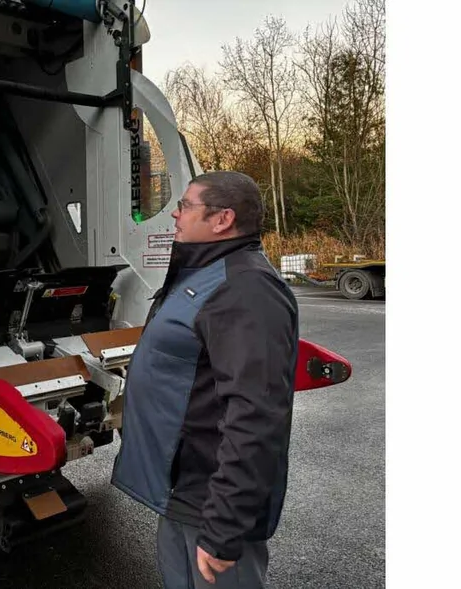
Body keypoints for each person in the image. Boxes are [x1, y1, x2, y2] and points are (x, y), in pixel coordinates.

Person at [111, 171, 299, 588]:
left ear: (222, 219)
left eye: (185, 206)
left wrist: (224, 526)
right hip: (182, 490)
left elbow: (256, 417)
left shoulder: (247, 290)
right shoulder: (202, 273)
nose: (174, 215)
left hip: (212, 500)